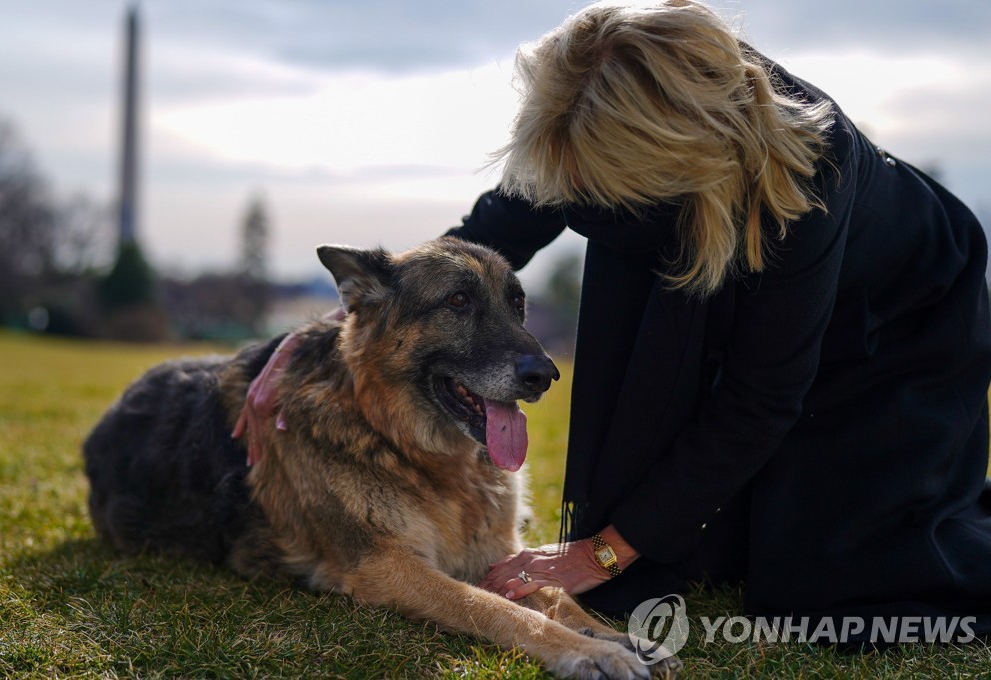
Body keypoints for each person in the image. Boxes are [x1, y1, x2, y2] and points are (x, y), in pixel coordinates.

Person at [235, 0, 991, 637]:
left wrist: (601, 553)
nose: (569, 193)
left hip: (898, 312)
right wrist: (315, 341)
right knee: (699, 552)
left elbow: (761, 397)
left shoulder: (803, 177)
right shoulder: (585, 104)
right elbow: (468, 252)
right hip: (735, 260)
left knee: (833, 584)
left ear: (667, 161)